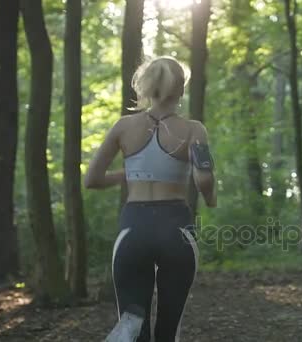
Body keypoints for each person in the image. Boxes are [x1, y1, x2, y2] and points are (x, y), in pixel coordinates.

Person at [84, 56, 216, 342]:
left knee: (131, 327)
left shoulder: (123, 127)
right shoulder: (194, 129)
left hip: (133, 230)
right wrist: (211, 197)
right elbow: (204, 179)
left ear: (146, 87)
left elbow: (91, 180)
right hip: (177, 230)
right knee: (170, 327)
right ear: (180, 90)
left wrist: (131, 174)